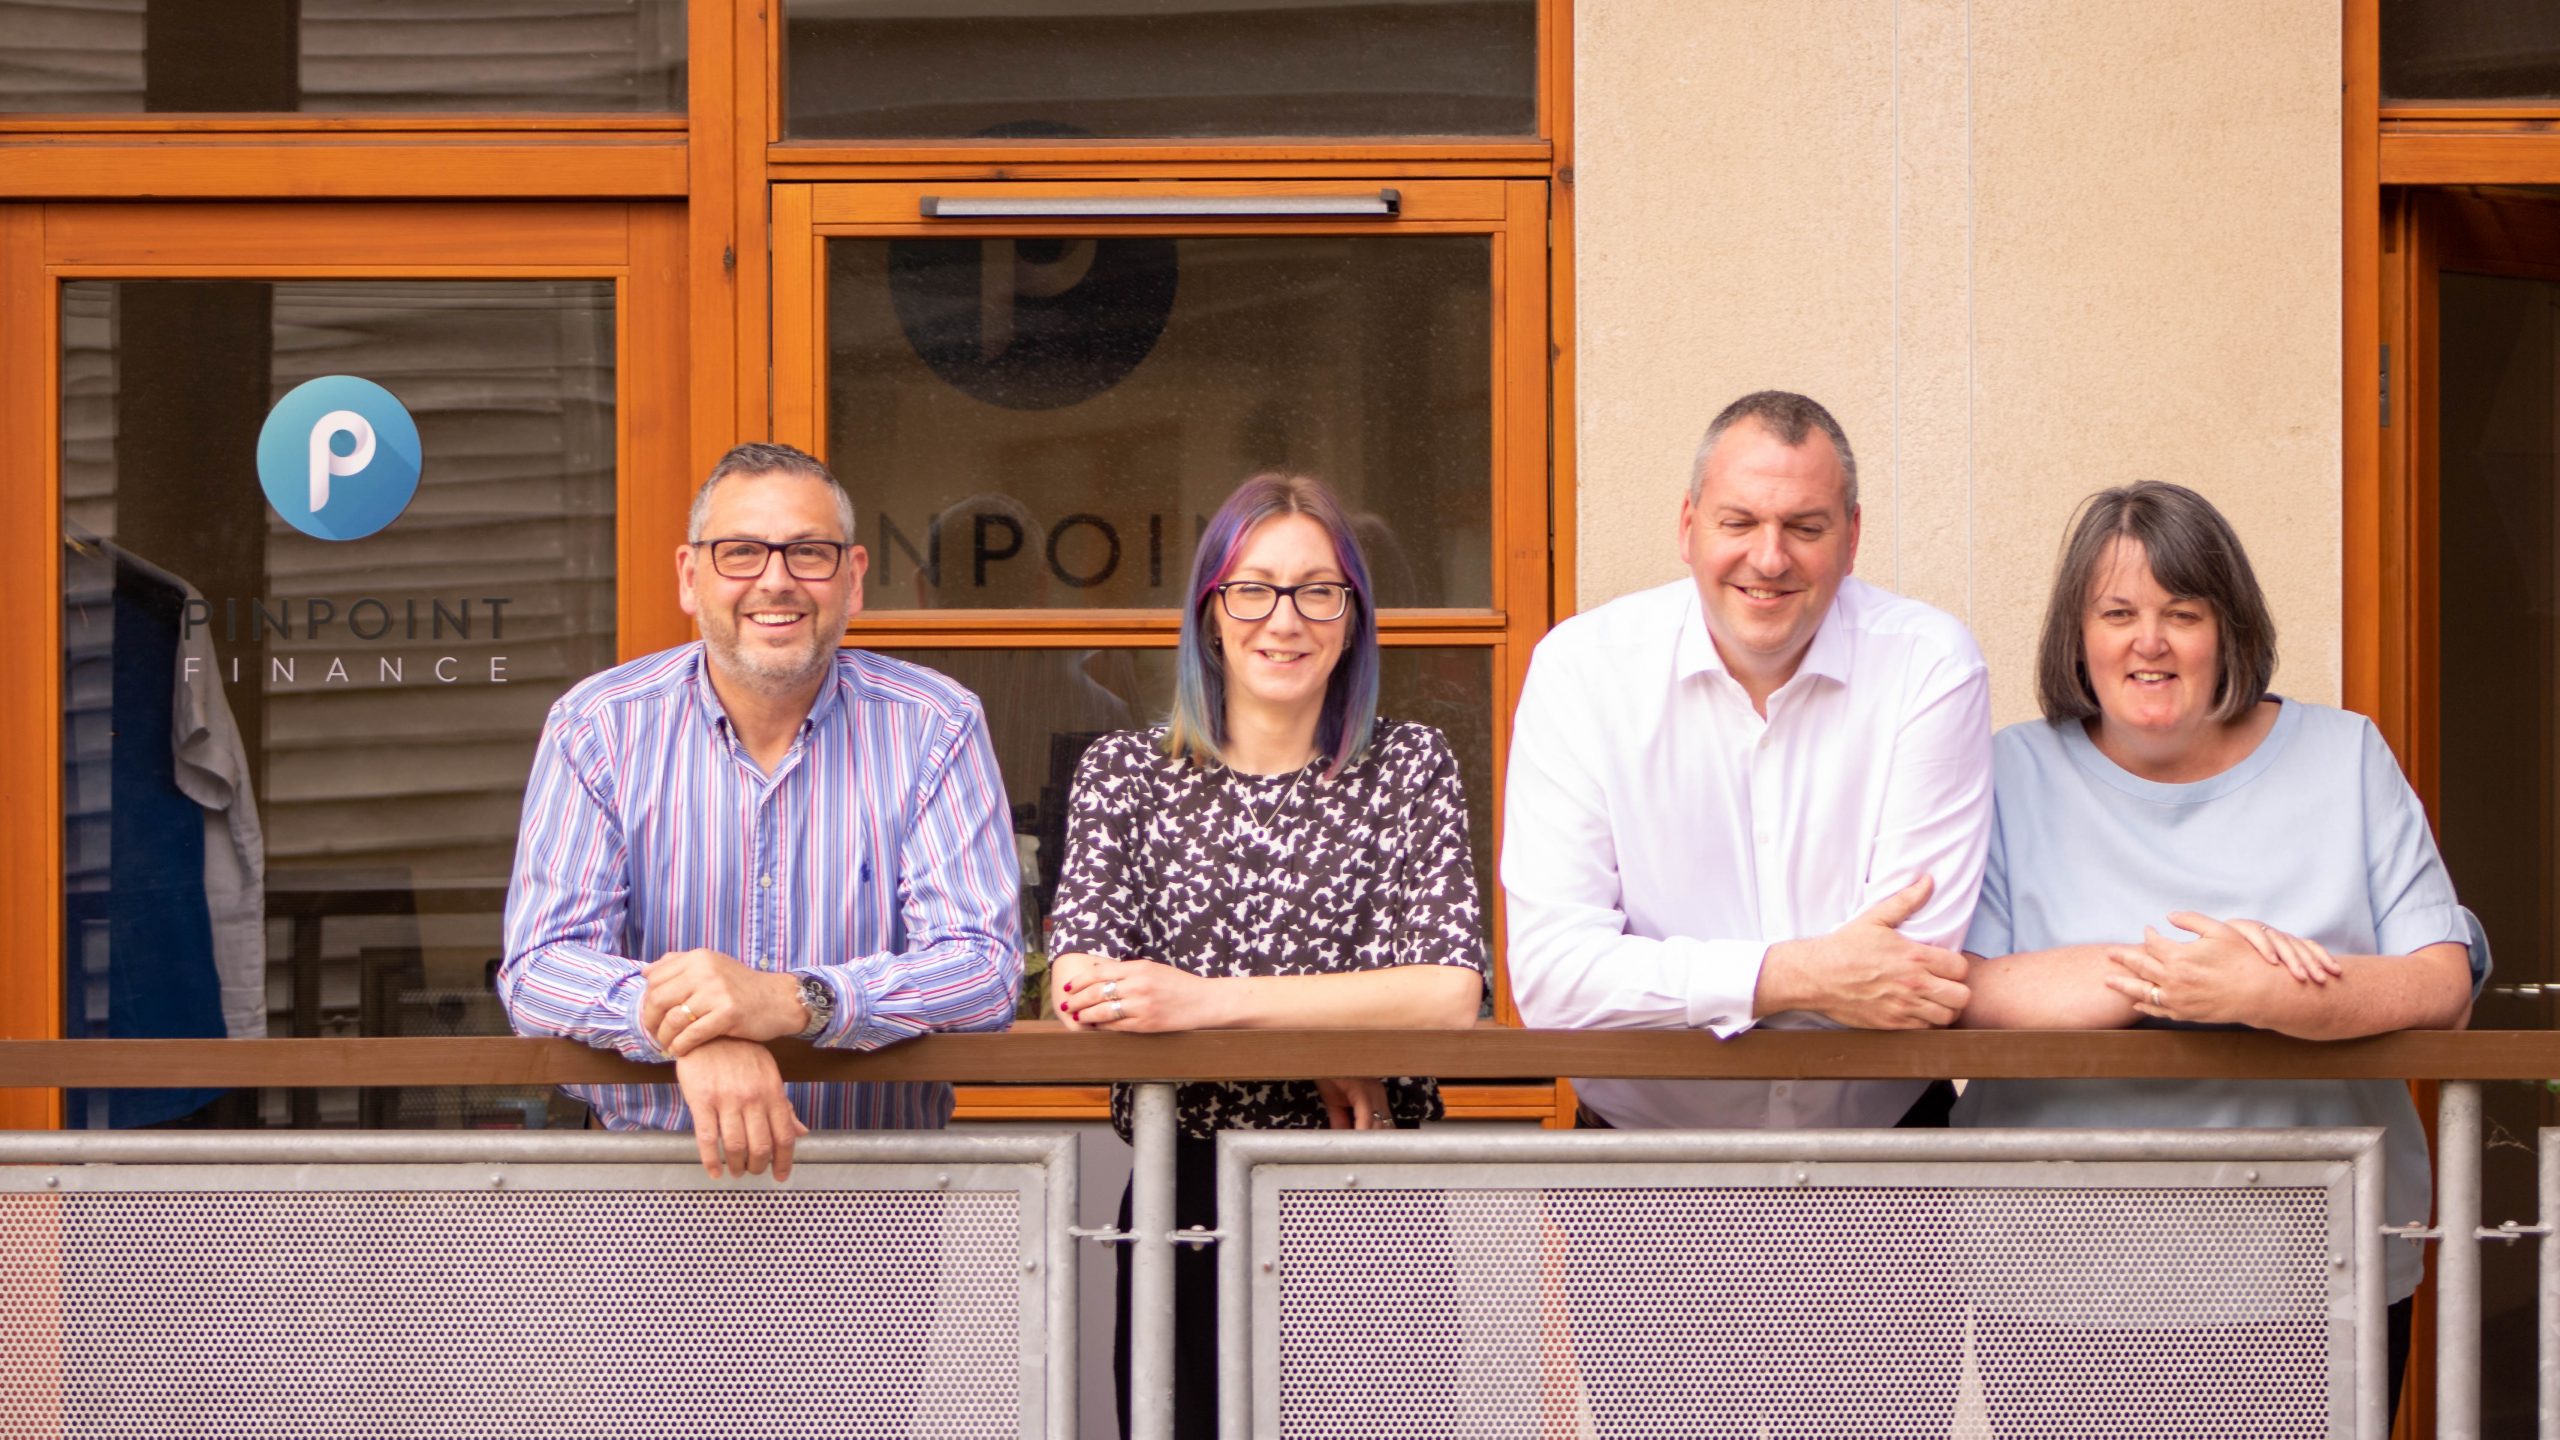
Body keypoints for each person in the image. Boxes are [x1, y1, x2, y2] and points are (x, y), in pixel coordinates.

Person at [1954, 479, 2485, 1421]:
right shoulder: (2010, 770)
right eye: (2117, 612)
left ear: (2229, 628)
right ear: (2078, 636)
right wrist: (2188, 975)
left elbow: (2441, 980)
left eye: (2182, 613)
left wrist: (2275, 994)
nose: (2147, 641)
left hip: (2312, 1269)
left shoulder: (2345, 755)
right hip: (2053, 1280)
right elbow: (1963, 988)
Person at [1044, 472, 1486, 1439]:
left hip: (1370, 1197)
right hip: (1179, 1182)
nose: (1284, 619)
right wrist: (1325, 1031)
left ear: (1354, 614)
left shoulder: (1409, 764)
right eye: (1255, 589)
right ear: (1211, 609)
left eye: (1317, 590)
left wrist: (1205, 1004)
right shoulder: (1124, 775)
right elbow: (1081, 987)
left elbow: (1448, 995)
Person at [498, 442, 1021, 1180]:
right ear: (690, 576)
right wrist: (701, 1030)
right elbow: (539, 969)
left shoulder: (936, 725)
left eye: (808, 552)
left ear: (853, 578)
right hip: (647, 1195)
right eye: (740, 552)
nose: (775, 582)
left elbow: (983, 969)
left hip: (874, 1198)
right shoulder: (598, 727)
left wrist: (793, 1002)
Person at [1503, 389, 1993, 1131]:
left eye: (1805, 526)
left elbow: (1907, 972)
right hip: (1641, 1162)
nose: (1769, 557)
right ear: (1688, 525)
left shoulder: (1929, 666)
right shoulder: (1582, 670)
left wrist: (1669, 984)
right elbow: (1552, 980)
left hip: (1880, 1153)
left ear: (1853, 537)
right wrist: (1798, 974)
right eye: (1740, 522)